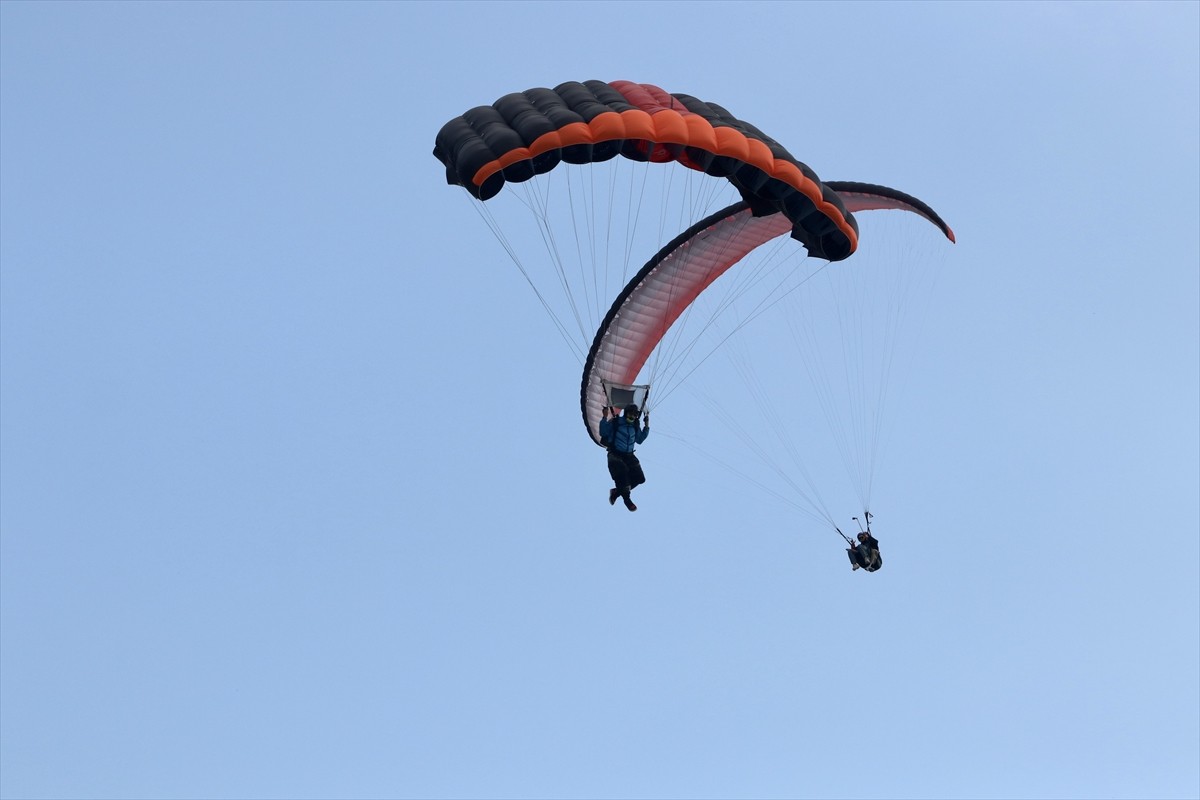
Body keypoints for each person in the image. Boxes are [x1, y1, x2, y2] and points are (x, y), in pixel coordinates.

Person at [600, 403, 649, 511]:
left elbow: (639, 440)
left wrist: (646, 426)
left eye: (634, 415)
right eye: (630, 414)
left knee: (640, 478)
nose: (632, 417)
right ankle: (627, 500)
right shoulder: (616, 422)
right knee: (622, 475)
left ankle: (617, 492)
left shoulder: (635, 426)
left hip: (629, 456)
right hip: (616, 454)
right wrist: (604, 416)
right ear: (626, 413)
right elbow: (603, 432)